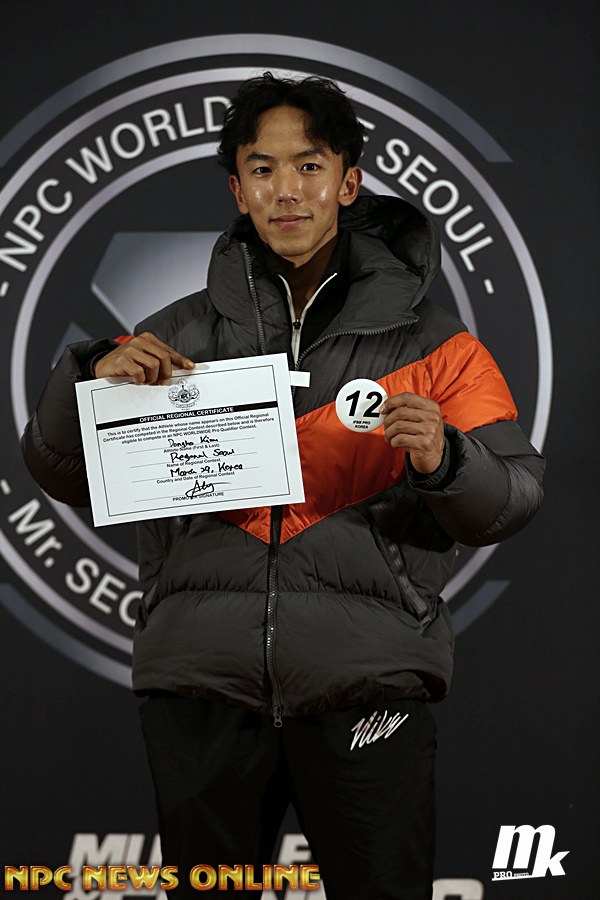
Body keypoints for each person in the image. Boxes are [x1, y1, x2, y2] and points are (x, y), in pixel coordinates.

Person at [21, 73, 544, 899]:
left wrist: (446, 460)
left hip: (369, 687)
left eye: (309, 165)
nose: (287, 190)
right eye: (262, 169)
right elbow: (57, 471)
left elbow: (513, 496)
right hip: (201, 692)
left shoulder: (440, 349)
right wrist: (86, 378)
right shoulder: (171, 334)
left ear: (349, 181)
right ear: (238, 189)